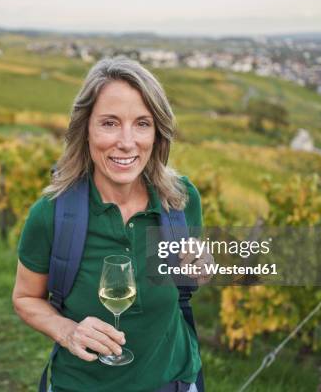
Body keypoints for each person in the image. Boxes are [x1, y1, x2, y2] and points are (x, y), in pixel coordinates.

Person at [12, 57, 213, 392]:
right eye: (109, 123)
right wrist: (67, 330)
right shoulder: (52, 215)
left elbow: (185, 276)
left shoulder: (180, 200)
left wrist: (202, 267)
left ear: (157, 132)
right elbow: (25, 298)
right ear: (85, 129)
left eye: (142, 123)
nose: (127, 141)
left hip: (174, 382)